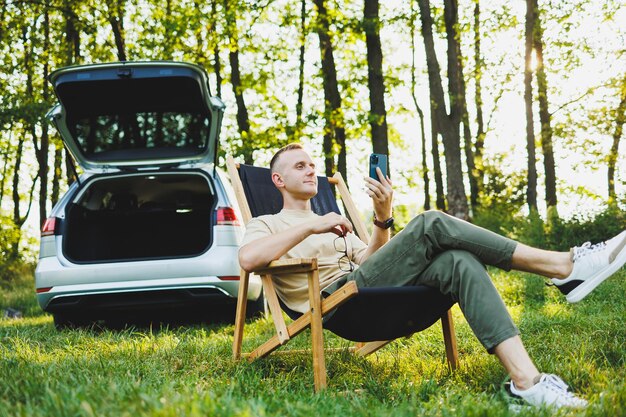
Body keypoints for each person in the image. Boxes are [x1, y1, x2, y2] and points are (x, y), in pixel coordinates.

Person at [239, 143, 626, 409]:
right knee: (430, 223)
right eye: (300, 166)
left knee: (458, 259)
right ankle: (563, 267)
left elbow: (374, 259)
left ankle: (527, 382)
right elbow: (248, 259)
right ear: (277, 180)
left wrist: (382, 216)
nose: (312, 171)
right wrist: (312, 227)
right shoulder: (268, 223)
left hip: (368, 293)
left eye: (312, 164)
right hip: (337, 307)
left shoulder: (335, 223)